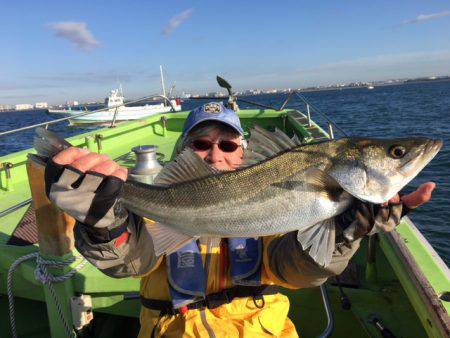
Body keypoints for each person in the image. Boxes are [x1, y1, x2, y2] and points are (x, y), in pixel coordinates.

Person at [45, 102, 435, 337]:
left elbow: (296, 270)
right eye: (201, 144)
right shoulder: (156, 210)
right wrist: (104, 225)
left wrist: (345, 233)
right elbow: (133, 261)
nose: (215, 154)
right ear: (184, 152)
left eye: (228, 144)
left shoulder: (283, 203)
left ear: (244, 153)